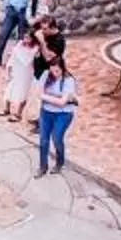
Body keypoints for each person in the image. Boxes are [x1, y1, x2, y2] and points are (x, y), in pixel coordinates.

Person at [35, 33, 79, 176]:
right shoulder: (46, 75)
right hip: (46, 111)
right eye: (53, 70)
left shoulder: (68, 81)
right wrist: (54, 97)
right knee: (43, 140)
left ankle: (60, 161)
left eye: (57, 71)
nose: (54, 73)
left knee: (57, 138)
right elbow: (39, 93)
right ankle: (43, 166)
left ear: (63, 68)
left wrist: (47, 97)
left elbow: (62, 103)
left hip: (63, 114)